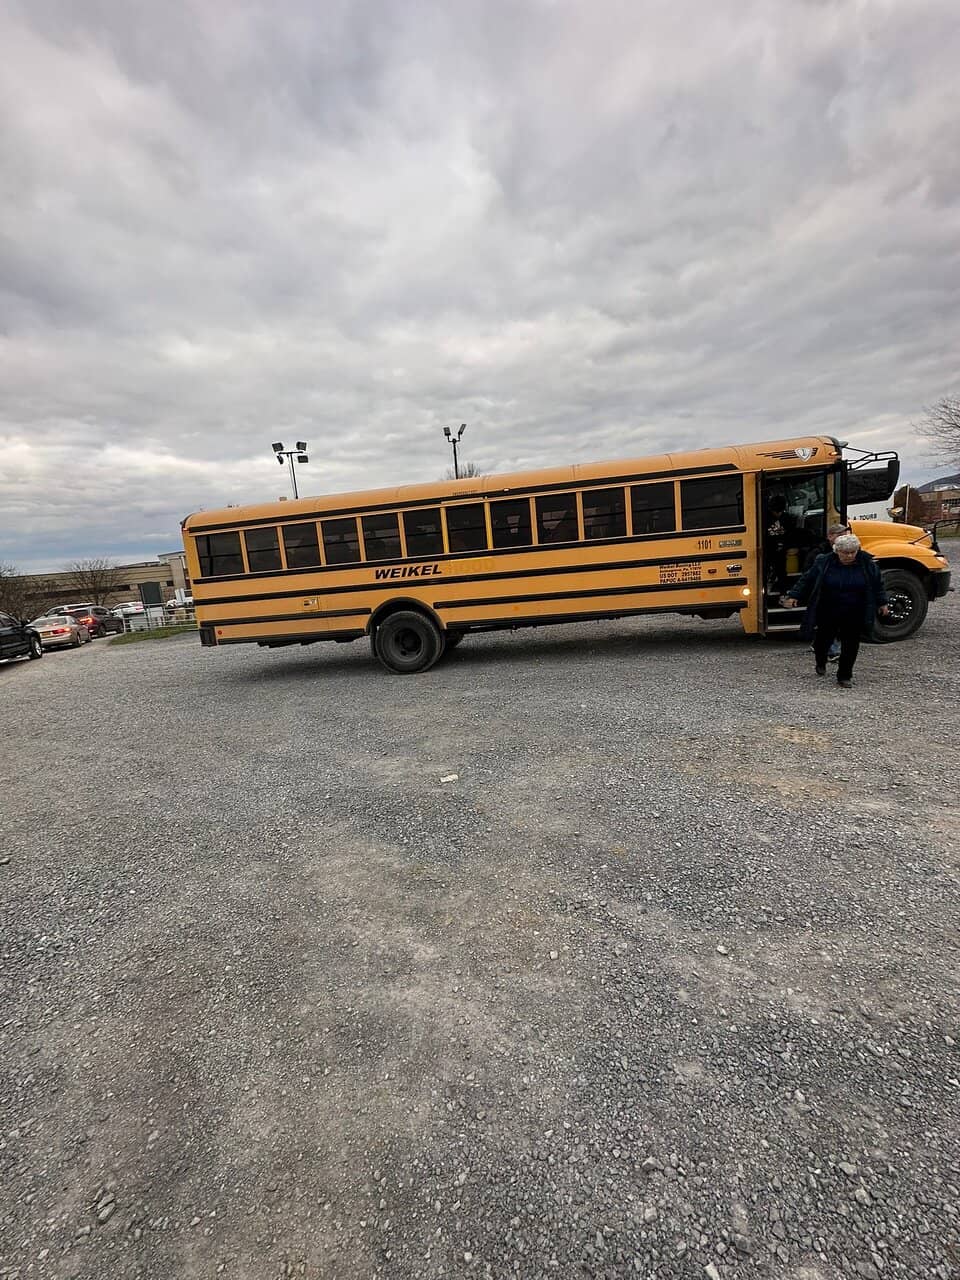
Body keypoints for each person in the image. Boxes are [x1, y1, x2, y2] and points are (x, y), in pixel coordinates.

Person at [781, 533, 890, 688]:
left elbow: (877, 584)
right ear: (836, 551)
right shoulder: (823, 562)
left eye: (853, 552)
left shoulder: (867, 563)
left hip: (855, 609)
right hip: (828, 608)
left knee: (851, 643)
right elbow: (807, 579)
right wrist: (794, 595)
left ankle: (845, 675)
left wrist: (882, 602)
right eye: (845, 553)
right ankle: (820, 659)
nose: (850, 556)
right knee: (823, 640)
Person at [802, 522, 851, 661]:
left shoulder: (849, 551)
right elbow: (808, 575)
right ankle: (833, 650)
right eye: (840, 535)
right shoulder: (818, 553)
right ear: (830, 536)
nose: (844, 537)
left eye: (845, 534)